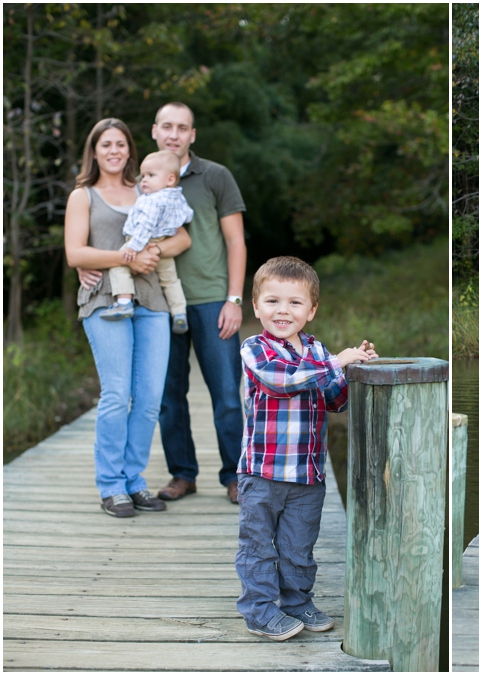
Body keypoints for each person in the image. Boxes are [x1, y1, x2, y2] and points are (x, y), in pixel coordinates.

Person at [235, 256, 377, 641]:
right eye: (273, 301)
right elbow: (282, 381)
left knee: (299, 546)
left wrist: (354, 370)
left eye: (295, 303)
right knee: (259, 547)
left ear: (311, 310)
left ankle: (297, 602)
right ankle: (260, 611)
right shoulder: (256, 348)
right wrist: (336, 362)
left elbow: (336, 401)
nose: (283, 310)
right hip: (262, 473)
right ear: (256, 306)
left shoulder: (317, 350)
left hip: (307, 473)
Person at [64, 118, 191, 518]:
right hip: (105, 300)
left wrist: (154, 251)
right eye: (106, 145)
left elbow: (184, 237)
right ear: (95, 151)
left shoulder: (148, 187)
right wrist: (124, 257)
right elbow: (76, 254)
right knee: (117, 394)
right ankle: (111, 486)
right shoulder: (83, 196)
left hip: (152, 300)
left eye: (121, 144)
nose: (114, 150)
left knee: (150, 398)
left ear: (130, 151)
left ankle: (134, 482)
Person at [152, 101, 249, 504]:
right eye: (167, 126)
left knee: (227, 394)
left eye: (182, 127)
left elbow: (235, 241)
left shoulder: (215, 176)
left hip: (212, 301)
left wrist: (234, 299)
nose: (174, 134)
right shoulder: (144, 176)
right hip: (158, 304)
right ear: (155, 130)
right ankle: (182, 474)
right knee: (167, 396)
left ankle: (234, 475)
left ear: (193, 135)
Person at [99, 150, 193, 334]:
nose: (143, 180)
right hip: (163, 245)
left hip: (142, 242)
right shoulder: (177, 196)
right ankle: (180, 313)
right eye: (142, 176)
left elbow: (145, 226)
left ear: (170, 179)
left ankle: (124, 302)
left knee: (119, 265)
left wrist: (133, 247)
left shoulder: (151, 200)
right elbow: (187, 215)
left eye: (151, 175)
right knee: (170, 280)